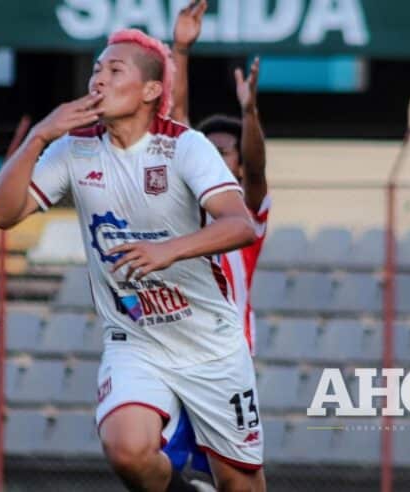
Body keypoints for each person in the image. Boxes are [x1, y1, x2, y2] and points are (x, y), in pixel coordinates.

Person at [0, 28, 265, 492]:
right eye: (96, 69)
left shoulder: (185, 146)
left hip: (209, 343)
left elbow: (241, 225)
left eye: (115, 71)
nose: (99, 79)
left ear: (151, 91)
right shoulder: (73, 149)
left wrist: (166, 250)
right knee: (127, 450)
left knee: (241, 484)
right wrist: (38, 135)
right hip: (135, 339)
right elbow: (0, 213)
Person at [163, 1, 271, 484]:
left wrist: (249, 114)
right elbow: (178, 122)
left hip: (223, 359)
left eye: (220, 152)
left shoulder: (244, 215)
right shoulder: (187, 207)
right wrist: (180, 50)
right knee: (153, 460)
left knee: (229, 480)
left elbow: (257, 167)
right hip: (171, 351)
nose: (208, 156)